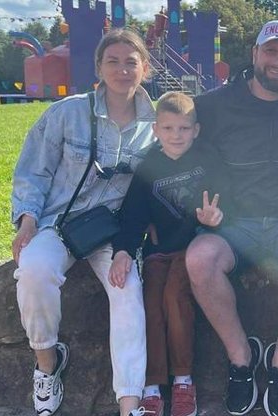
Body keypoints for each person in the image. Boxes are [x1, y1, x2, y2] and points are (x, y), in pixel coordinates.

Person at [10, 28, 156, 416]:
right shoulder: (67, 112)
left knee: (128, 296)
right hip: (58, 223)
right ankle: (48, 364)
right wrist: (26, 221)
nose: (122, 70)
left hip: (110, 232)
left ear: (144, 68)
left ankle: (130, 404)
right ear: (98, 67)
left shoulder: (154, 126)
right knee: (35, 270)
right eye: (113, 61)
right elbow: (34, 171)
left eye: (131, 62)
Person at [187, 20, 278, 416]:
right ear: (254, 54)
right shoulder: (214, 105)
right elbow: (176, 149)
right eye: (271, 51)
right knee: (199, 259)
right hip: (234, 222)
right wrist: (196, 205)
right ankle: (241, 359)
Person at [109, 91, 224, 416]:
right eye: (169, 129)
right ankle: (152, 385)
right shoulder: (149, 167)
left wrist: (216, 218)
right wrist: (123, 252)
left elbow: (224, 201)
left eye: (184, 129)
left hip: (193, 250)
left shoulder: (208, 160)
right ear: (156, 130)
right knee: (150, 305)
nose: (177, 136)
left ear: (196, 130)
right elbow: (132, 216)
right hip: (159, 252)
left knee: (176, 298)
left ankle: (184, 381)